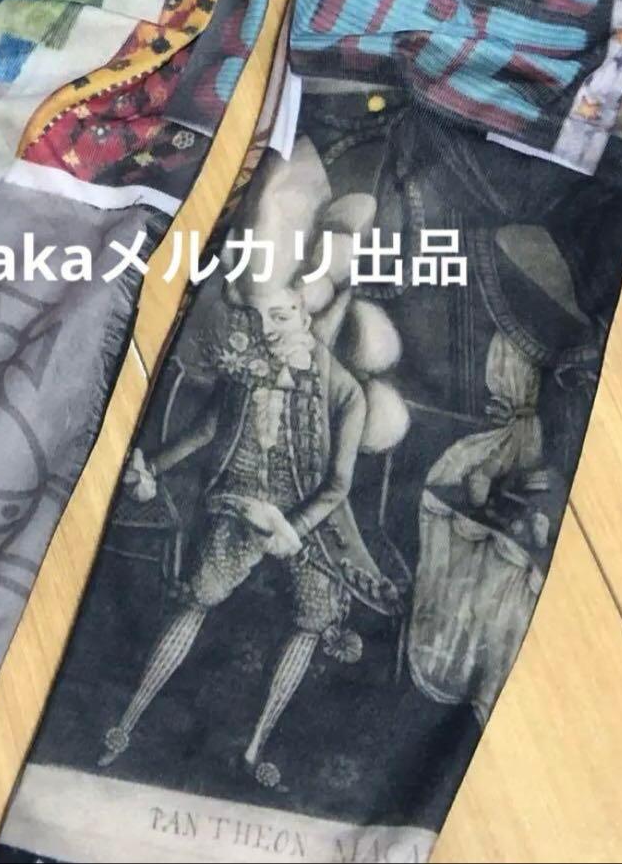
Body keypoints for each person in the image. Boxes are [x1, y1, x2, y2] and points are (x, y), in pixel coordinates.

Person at [100, 288, 400, 789]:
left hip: (308, 517)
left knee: (315, 613)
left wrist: (291, 529)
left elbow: (337, 486)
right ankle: (126, 724)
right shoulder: (246, 366)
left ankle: (254, 747)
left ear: (303, 315)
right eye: (260, 319)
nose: (268, 331)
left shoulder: (345, 391)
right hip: (239, 497)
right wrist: (151, 466)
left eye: (279, 317)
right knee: (201, 594)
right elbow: (206, 430)